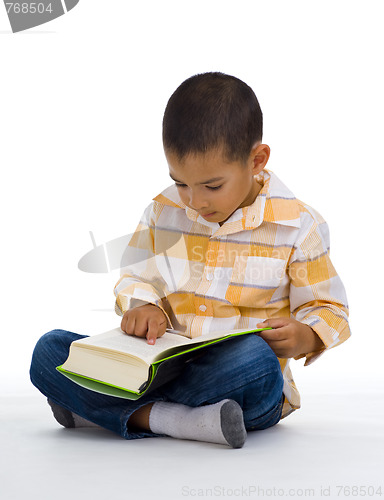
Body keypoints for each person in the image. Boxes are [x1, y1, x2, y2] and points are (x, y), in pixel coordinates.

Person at [30, 72, 351, 448]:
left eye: (212, 186)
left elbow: (330, 309)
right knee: (50, 350)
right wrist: (144, 305)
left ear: (257, 160)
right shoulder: (164, 212)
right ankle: (180, 420)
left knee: (257, 361)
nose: (194, 202)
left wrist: (303, 336)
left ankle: (110, 411)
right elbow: (136, 279)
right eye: (181, 183)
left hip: (237, 379)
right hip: (158, 368)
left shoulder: (297, 226)